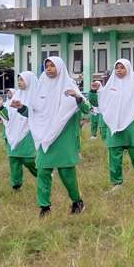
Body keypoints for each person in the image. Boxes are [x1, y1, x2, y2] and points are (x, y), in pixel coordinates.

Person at [29, 57, 89, 217]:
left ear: (60, 67)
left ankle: (77, 201)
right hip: (44, 137)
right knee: (42, 171)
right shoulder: (40, 87)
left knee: (67, 174)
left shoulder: (69, 85)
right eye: (46, 66)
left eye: (52, 66)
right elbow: (34, 112)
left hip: (64, 138)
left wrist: (77, 97)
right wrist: (22, 109)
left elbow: (87, 108)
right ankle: (44, 207)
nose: (49, 69)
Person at [98, 59, 134, 191]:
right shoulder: (110, 86)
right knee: (114, 157)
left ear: (128, 69)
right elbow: (99, 103)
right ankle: (117, 184)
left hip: (131, 126)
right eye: (117, 68)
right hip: (115, 126)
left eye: (122, 68)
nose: (119, 70)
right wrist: (94, 92)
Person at [0, 71, 38, 191]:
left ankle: (43, 175)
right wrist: (0, 107)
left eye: (22, 80)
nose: (20, 83)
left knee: (29, 159)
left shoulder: (36, 97)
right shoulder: (16, 96)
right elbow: (7, 117)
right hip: (13, 133)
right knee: (14, 159)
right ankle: (16, 185)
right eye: (19, 80)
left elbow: (37, 115)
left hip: (28, 132)